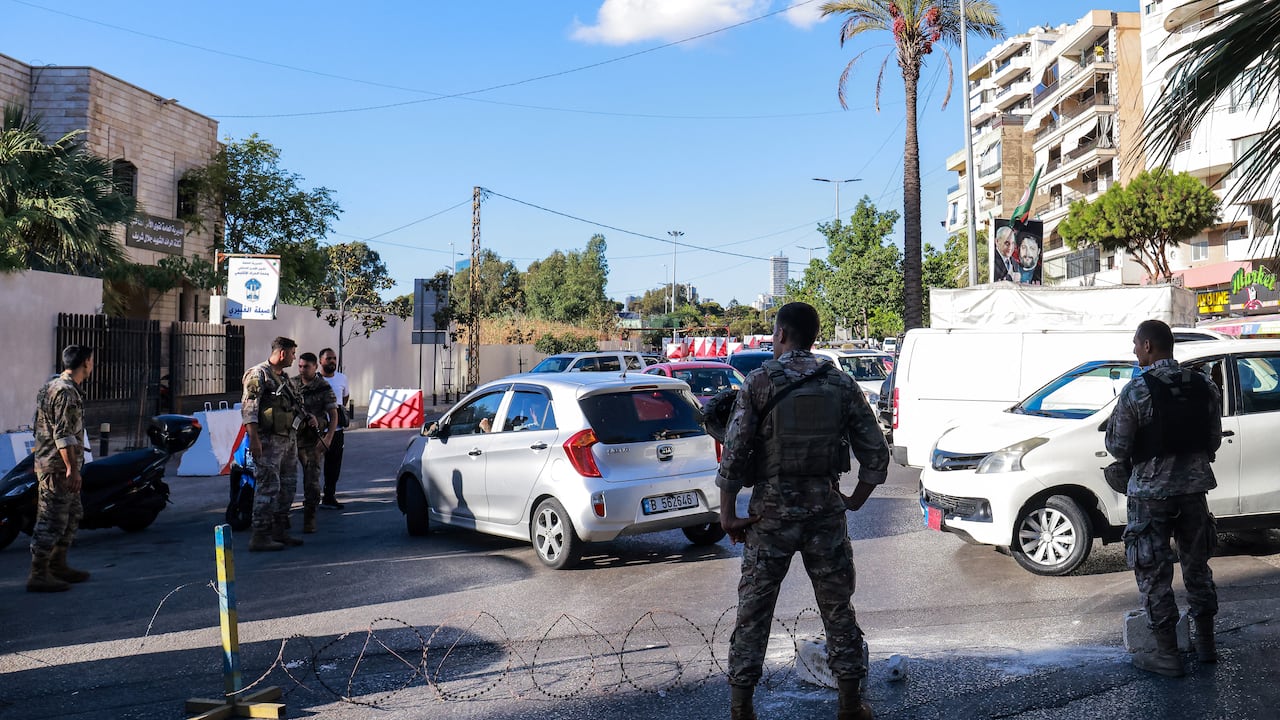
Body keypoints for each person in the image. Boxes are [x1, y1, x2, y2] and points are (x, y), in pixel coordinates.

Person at [718, 302, 889, 720]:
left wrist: (728, 515)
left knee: (754, 612)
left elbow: (735, 454)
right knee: (838, 610)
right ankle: (850, 705)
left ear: (780, 334)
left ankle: (742, 709)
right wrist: (854, 499)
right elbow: (876, 455)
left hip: (769, 518)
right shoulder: (840, 383)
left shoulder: (759, 381)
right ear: (813, 336)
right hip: (824, 517)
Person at [1106, 319, 1222, 677]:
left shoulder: (1137, 389)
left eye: (1136, 345)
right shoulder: (1203, 384)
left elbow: (1117, 445)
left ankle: (1168, 654)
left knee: (1154, 573)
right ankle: (1205, 645)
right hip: (1194, 492)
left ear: (1149, 347)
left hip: (1151, 497)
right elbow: (1213, 440)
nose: (1134, 350)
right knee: (1197, 568)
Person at [27, 345, 95, 593]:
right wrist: (71, 469)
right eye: (92, 360)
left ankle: (58, 564)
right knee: (51, 519)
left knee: (73, 514)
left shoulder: (51, 386)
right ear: (86, 362)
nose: (92, 364)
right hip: (57, 468)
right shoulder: (66, 392)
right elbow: (63, 435)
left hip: (54, 463)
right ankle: (38, 573)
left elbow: (38, 424)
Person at [241, 336, 305, 551]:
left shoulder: (285, 379)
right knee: (268, 486)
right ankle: (260, 535)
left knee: (287, 486)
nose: (295, 358)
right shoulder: (258, 374)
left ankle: (279, 530)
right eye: (293, 353)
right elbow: (249, 409)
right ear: (283, 353)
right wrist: (254, 439)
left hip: (287, 440)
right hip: (268, 441)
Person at [292, 352, 338, 534]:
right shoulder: (291, 384)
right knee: (285, 479)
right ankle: (280, 519)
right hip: (292, 438)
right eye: (300, 366)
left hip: (312, 441)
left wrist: (328, 437)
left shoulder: (323, 387)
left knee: (311, 482)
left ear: (315, 367)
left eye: (306, 367)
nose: (302, 370)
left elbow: (333, 415)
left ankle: (309, 518)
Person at [318, 348, 350, 509]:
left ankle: (329, 495)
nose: (332, 361)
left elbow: (345, 397)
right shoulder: (314, 379)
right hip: (316, 431)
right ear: (320, 361)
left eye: (334, 358)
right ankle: (311, 497)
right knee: (313, 465)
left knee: (333, 465)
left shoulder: (342, 378)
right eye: (328, 358)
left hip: (336, 430)